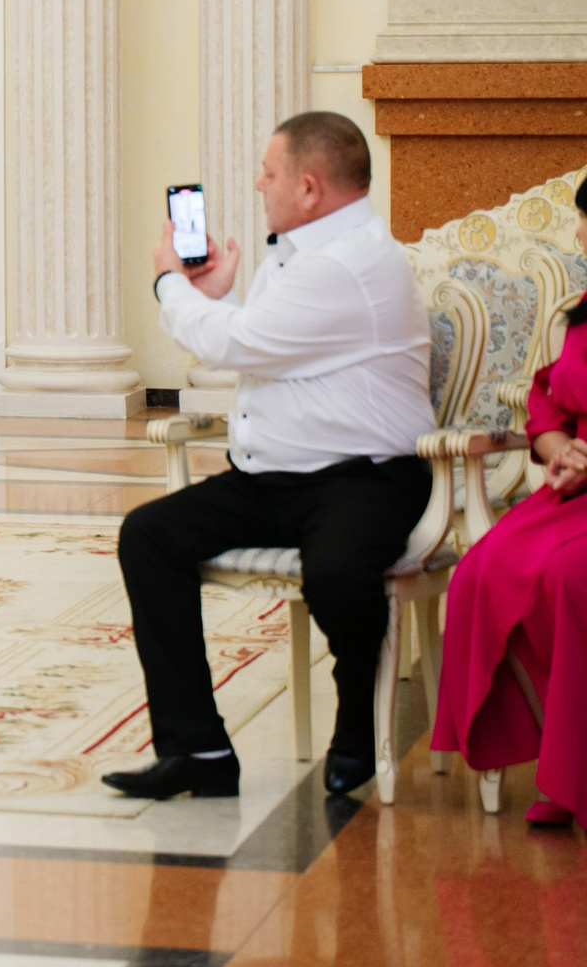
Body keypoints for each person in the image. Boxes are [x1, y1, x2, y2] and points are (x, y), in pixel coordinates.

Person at [105, 111, 435, 801]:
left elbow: (242, 344)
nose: (259, 183)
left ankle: (354, 717)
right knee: (149, 536)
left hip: (365, 479)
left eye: (270, 171)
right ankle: (196, 747)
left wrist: (170, 284)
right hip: (273, 479)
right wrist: (220, 298)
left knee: (338, 574)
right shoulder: (299, 252)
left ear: (309, 187)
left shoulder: (351, 262)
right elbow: (261, 341)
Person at [431, 182, 587, 828]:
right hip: (573, 489)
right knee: (480, 570)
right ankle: (559, 754)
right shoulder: (582, 315)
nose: (580, 238)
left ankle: (570, 768)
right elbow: (549, 396)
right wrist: (557, 449)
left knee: (568, 581)